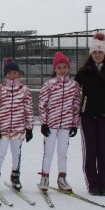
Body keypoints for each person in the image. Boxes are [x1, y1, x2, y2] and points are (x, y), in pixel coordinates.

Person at [74, 32, 105, 196]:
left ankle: (104, 185)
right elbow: (74, 93)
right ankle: (93, 184)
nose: (97, 54)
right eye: (94, 52)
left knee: (104, 153)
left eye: (100, 52)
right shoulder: (83, 72)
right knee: (90, 152)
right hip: (87, 117)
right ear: (91, 54)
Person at [38, 51, 81, 192]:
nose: (62, 70)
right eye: (59, 67)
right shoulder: (49, 85)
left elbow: (76, 105)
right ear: (55, 69)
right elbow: (42, 104)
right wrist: (44, 122)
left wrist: (74, 123)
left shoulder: (74, 86)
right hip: (51, 124)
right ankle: (44, 176)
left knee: (62, 152)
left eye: (64, 67)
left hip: (66, 124)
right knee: (48, 151)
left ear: (68, 68)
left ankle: (62, 178)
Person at [0, 57, 34, 192]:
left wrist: (29, 128)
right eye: (9, 73)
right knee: (1, 153)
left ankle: (15, 175)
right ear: (5, 75)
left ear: (18, 74)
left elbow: (29, 109)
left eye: (15, 72)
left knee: (16, 153)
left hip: (18, 128)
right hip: (3, 128)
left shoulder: (24, 90)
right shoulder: (1, 90)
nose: (12, 75)